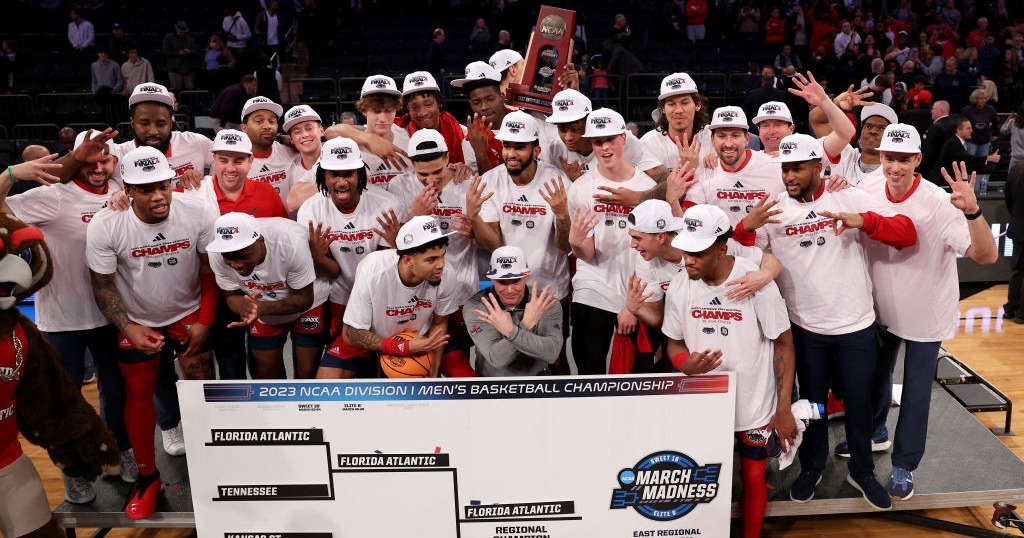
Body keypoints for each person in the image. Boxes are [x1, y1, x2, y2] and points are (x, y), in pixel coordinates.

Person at [741, 133, 918, 511]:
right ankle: (812, 466)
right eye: (785, 168)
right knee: (813, 405)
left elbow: (906, 233)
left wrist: (864, 220)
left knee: (858, 402)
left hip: (856, 325)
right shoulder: (772, 212)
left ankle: (863, 471)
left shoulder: (847, 195)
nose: (789, 175)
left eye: (797, 167)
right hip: (806, 330)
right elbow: (740, 257)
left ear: (818, 167)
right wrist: (746, 226)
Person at [853, 124, 998, 501]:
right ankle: (875, 432)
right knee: (875, 378)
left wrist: (974, 212)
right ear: (879, 157)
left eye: (904, 159)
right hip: (879, 308)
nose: (895, 167)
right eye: (889, 158)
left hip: (925, 310)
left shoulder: (938, 201)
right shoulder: (865, 190)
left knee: (917, 393)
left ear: (918, 159)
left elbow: (987, 256)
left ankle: (904, 465)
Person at [0, 132, 137, 504]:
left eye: (104, 159)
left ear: (114, 161)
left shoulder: (128, 190)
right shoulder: (54, 197)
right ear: (77, 159)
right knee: (62, 402)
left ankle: (121, 450)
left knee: (117, 391)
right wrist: (12, 173)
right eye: (89, 160)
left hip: (113, 316)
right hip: (62, 321)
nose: (98, 168)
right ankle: (74, 471)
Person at [85, 145, 220, 520]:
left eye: (164, 185)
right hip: (138, 318)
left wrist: (205, 320)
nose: (158, 195)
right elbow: (102, 285)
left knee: (199, 393)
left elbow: (211, 272)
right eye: (146, 189)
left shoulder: (199, 210)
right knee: (139, 395)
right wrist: (128, 326)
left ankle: (213, 469)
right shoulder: (106, 224)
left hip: (189, 312)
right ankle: (147, 478)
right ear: (127, 189)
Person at [662, 203, 795, 538]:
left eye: (698, 253)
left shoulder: (756, 284)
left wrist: (782, 409)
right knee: (705, 479)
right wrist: (684, 365)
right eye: (685, 251)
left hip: (753, 404)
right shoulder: (681, 285)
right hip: (704, 404)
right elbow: (674, 344)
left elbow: (783, 345)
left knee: (752, 478)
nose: (688, 260)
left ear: (722, 250)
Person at [297, 137, 405, 379]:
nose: (342, 182)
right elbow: (332, 272)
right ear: (323, 176)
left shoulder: (386, 204)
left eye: (349, 174)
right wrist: (318, 257)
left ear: (360, 174)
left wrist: (397, 247)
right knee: (337, 376)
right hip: (340, 296)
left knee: (387, 371)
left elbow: (383, 271)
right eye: (334, 174)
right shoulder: (310, 210)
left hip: (381, 298)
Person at [566, 108, 657, 375]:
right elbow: (587, 253)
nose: (604, 147)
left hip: (636, 289)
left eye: (610, 140)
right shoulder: (581, 189)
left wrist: (632, 304)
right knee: (589, 372)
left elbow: (651, 251)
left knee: (636, 378)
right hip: (593, 287)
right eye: (597, 142)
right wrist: (575, 243)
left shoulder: (646, 187)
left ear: (624, 138)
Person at [207, 212, 329, 379]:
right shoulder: (216, 253)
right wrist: (246, 308)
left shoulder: (290, 242)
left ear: (260, 241)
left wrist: (262, 308)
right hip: (262, 307)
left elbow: (305, 299)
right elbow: (231, 296)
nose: (236, 265)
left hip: (308, 301)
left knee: (307, 374)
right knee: (265, 375)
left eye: (242, 256)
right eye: (229, 258)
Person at [337, 215, 460, 377]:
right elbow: (351, 333)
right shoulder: (374, 269)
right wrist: (402, 347)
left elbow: (440, 323)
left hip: (421, 339)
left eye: (443, 255)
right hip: (373, 338)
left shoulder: (446, 273)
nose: (441, 265)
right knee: (325, 385)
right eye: (432, 259)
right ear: (408, 260)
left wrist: (433, 370)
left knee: (466, 378)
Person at [464, 246, 562, 376]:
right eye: (502, 283)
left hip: (537, 381)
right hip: (492, 383)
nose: (510, 290)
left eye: (516, 282)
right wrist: (526, 325)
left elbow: (551, 354)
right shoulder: (476, 306)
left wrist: (510, 331)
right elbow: (497, 359)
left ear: (526, 277)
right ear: (492, 279)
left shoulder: (546, 303)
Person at [640, 72, 712, 169]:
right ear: (663, 108)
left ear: (698, 105)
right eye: (671, 104)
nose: (678, 110)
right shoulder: (648, 144)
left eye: (685, 103)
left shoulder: (713, 138)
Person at [450, 61, 507, 174]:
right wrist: (480, 153)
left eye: (490, 99)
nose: (484, 107)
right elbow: (485, 185)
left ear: (502, 97)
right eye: (477, 102)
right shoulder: (469, 141)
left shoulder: (525, 123)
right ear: (471, 105)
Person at [239, 96, 297, 205]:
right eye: (259, 121)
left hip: (290, 221)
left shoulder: (292, 152)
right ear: (244, 128)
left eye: (272, 121)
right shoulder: (233, 161)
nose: (267, 126)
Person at [929, 117, 1001, 180]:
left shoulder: (958, 142)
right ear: (958, 130)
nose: (971, 131)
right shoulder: (952, 143)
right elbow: (966, 158)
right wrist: (989, 158)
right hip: (942, 181)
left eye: (971, 128)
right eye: (968, 128)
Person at [958, 89, 999, 157]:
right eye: (981, 98)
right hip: (971, 141)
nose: (983, 100)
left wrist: (995, 134)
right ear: (975, 99)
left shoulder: (990, 109)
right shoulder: (966, 110)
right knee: (970, 163)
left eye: (985, 98)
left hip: (985, 141)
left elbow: (996, 123)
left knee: (982, 163)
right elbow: (958, 123)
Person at [161, 21, 199, 91]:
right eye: (180, 31)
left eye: (183, 32)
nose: (181, 33)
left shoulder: (190, 39)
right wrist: (177, 53)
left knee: (190, 90)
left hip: (188, 68)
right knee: (176, 90)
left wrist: (189, 51)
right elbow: (165, 51)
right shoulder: (169, 38)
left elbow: (195, 51)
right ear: (176, 29)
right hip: (174, 68)